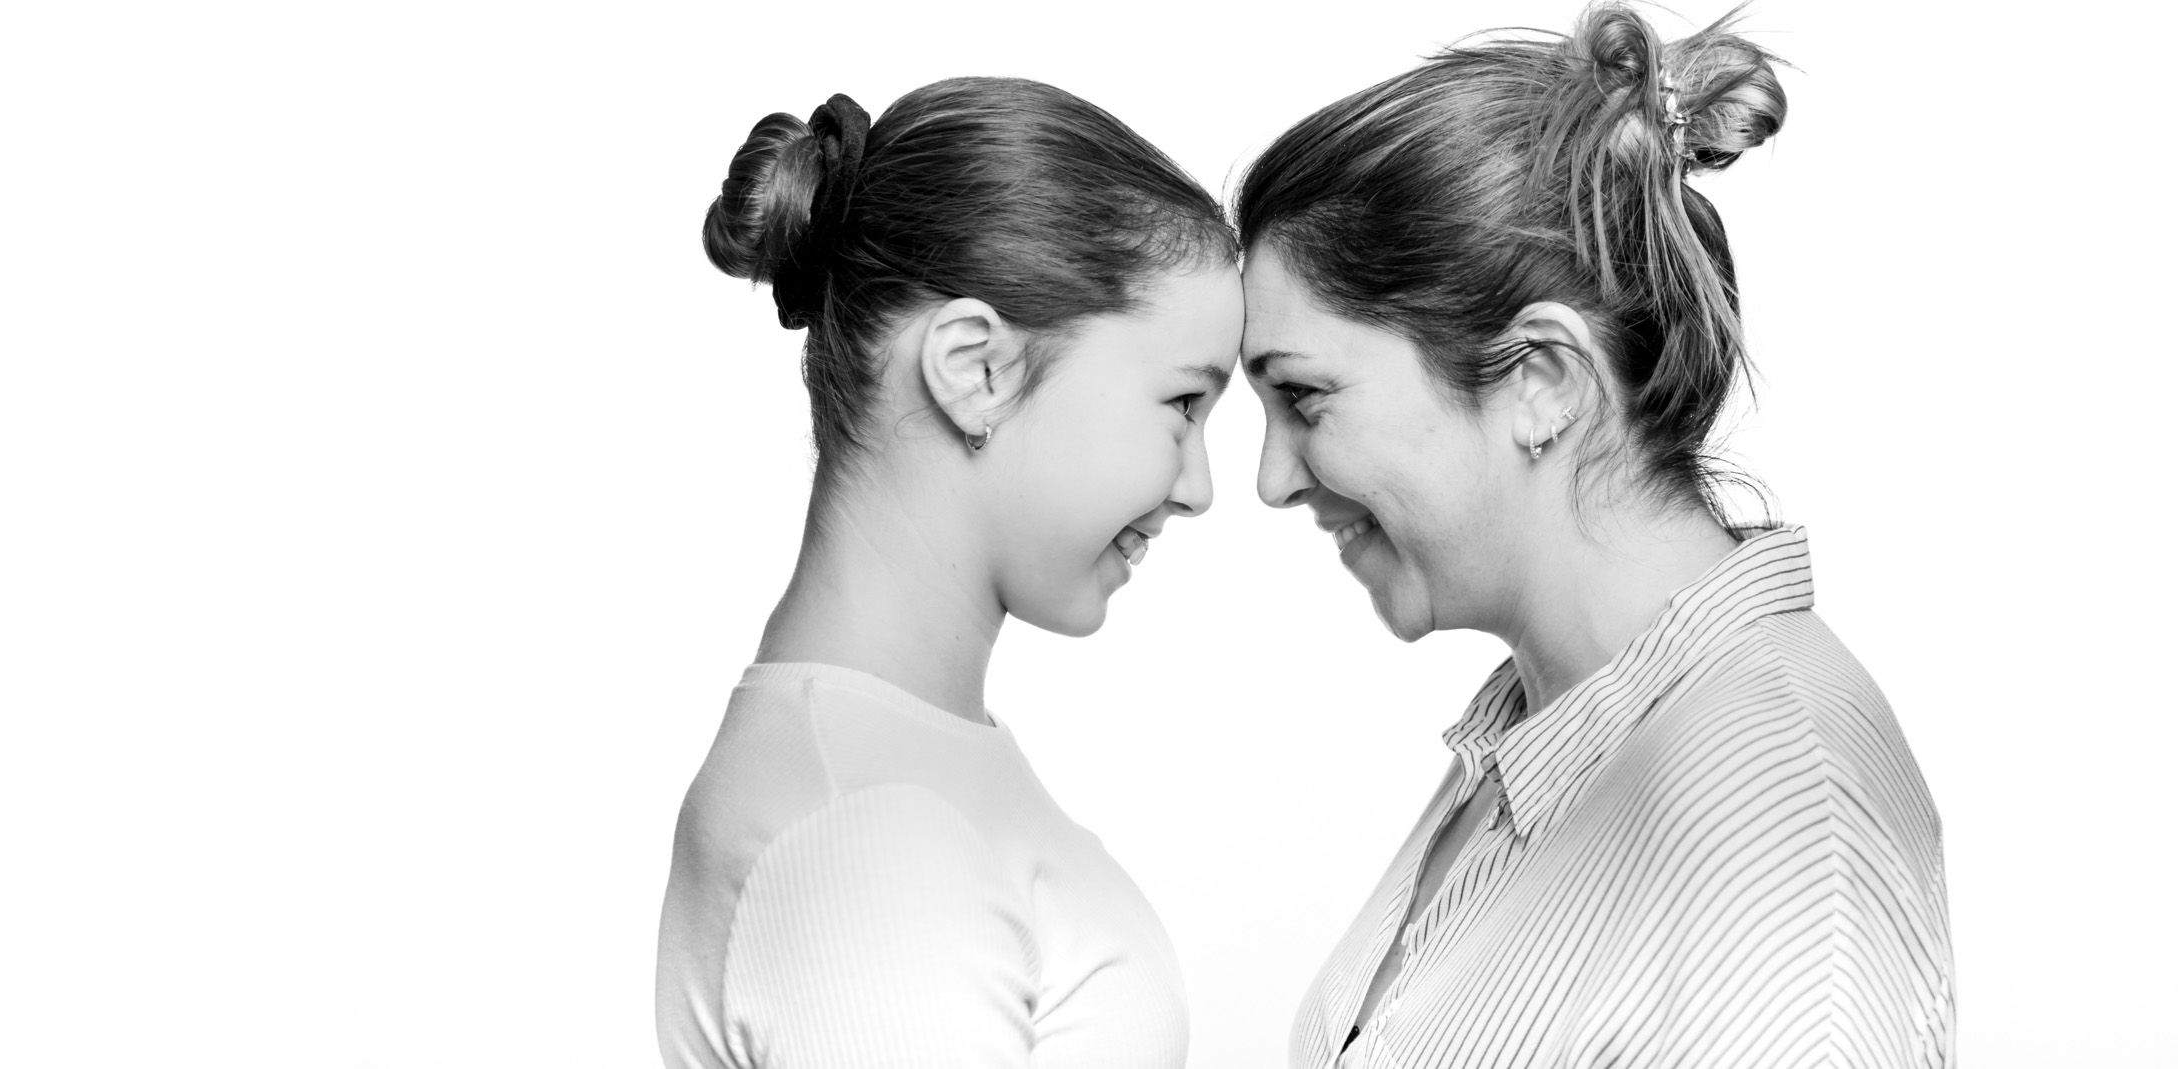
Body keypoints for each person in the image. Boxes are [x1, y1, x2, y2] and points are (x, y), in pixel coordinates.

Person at [1234, 5, 1953, 1066]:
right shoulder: (1542, 737)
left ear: (1541, 382)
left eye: (1304, 396)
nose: (1270, 477)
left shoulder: (1780, 835)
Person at [654, 77, 1241, 1069]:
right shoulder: (867, 844)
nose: (1199, 487)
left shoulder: (885, 772)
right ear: (974, 368)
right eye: (1182, 404)